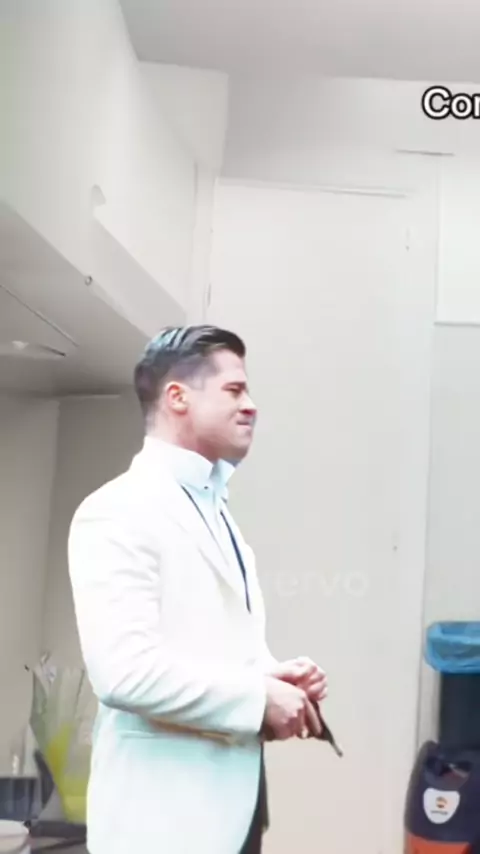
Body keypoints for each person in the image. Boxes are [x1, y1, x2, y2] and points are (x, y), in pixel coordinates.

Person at [68, 325, 327, 854]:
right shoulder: (117, 509)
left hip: (233, 812)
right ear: (177, 397)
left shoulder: (218, 511)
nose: (251, 405)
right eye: (234, 390)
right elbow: (125, 673)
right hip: (161, 825)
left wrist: (271, 676)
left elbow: (208, 647)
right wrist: (257, 698)